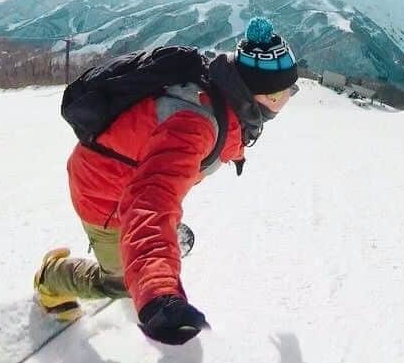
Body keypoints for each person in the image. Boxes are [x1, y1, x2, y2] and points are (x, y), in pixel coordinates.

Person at [34, 17, 299, 345]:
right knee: (120, 283)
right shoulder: (194, 124)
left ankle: (153, 242)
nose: (287, 99)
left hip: (129, 176)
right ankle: (52, 279)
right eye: (282, 94)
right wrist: (157, 292)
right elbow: (149, 201)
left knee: (159, 212)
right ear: (254, 96)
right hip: (105, 195)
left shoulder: (218, 88)